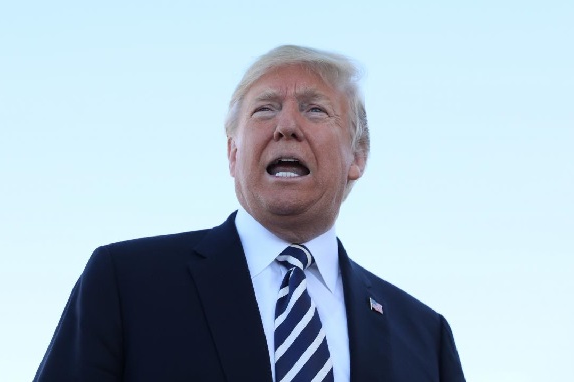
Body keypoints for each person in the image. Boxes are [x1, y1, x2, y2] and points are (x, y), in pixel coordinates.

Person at [34, 45, 466, 382]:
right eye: (265, 109)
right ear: (232, 152)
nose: (286, 126)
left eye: (315, 109)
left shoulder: (425, 337)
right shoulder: (124, 283)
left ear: (358, 156)